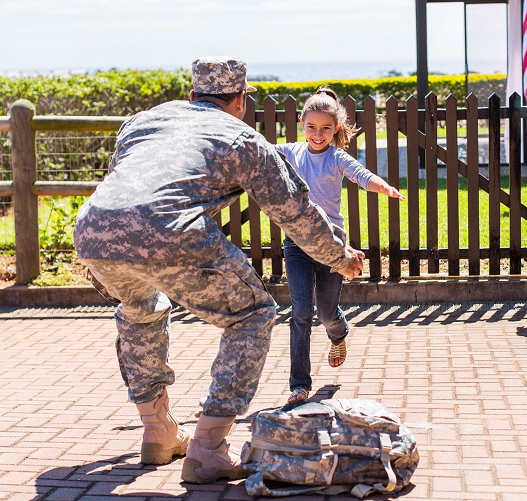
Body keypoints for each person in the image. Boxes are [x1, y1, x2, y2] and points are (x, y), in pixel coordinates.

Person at [73, 57, 365, 483]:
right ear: (241, 101)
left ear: (193, 96)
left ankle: (158, 432)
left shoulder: (142, 121)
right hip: (170, 228)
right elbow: (294, 212)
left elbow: (126, 181)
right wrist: (340, 257)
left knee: (140, 308)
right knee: (252, 315)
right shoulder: (244, 138)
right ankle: (207, 448)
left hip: (94, 229)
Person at [274, 87, 405, 405]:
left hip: (333, 248)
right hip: (297, 244)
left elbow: (361, 175)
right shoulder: (290, 152)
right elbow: (257, 152)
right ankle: (299, 385)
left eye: (326, 128)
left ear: (336, 129)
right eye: (312, 127)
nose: (318, 134)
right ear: (302, 123)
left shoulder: (336, 157)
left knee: (327, 312)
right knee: (302, 312)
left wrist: (383, 187)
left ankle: (339, 333)